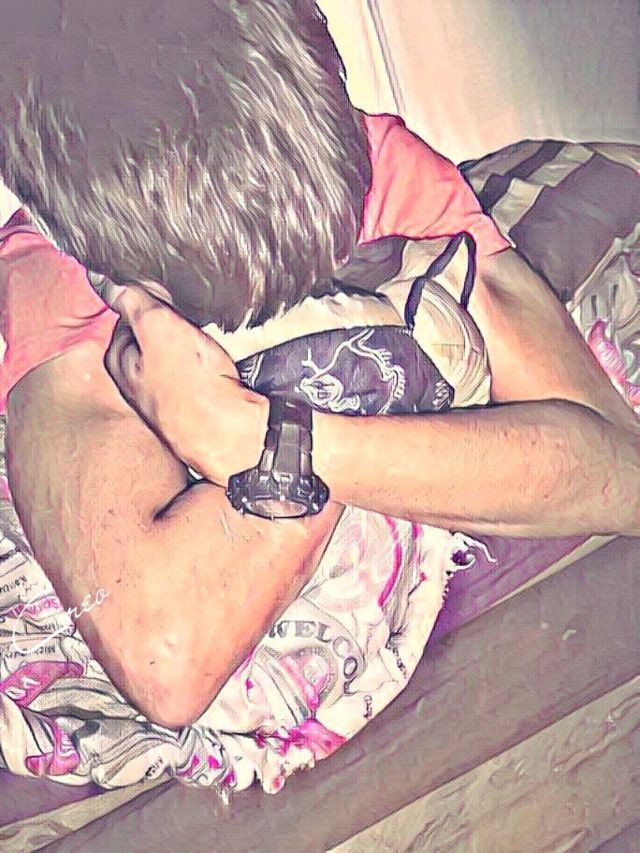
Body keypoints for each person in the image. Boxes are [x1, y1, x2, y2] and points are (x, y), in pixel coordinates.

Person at [0, 0, 638, 737]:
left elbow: (620, 470)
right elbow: (165, 660)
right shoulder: (54, 278)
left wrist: (265, 441)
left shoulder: (368, 158)